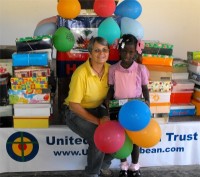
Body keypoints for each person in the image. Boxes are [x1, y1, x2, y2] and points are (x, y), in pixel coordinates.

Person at [63, 37, 113, 177]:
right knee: (99, 138)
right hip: (75, 113)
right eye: (97, 50)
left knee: (117, 134)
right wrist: (98, 122)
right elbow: (74, 105)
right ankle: (92, 173)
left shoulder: (110, 70)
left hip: (98, 109)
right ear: (90, 54)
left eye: (104, 50)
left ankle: (103, 165)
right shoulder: (81, 73)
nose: (101, 54)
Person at [105, 34, 150, 177]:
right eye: (124, 51)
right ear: (119, 51)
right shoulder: (113, 69)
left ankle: (135, 166)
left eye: (131, 52)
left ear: (136, 52)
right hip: (118, 107)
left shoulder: (140, 69)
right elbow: (111, 88)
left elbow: (144, 88)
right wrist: (108, 100)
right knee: (121, 138)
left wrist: (148, 102)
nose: (127, 55)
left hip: (135, 107)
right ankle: (123, 165)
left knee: (135, 139)